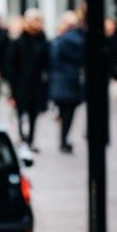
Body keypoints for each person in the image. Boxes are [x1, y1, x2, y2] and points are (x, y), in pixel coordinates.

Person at [8, 8, 50, 149]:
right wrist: (12, 90)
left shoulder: (42, 40)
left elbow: (47, 62)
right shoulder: (19, 41)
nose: (36, 24)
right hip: (22, 84)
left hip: (37, 84)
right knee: (21, 113)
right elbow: (12, 65)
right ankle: (23, 137)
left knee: (34, 113)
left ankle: (31, 139)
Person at [48, 11, 85, 154]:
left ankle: (63, 139)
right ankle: (64, 140)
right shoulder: (74, 39)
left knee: (65, 113)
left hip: (63, 81)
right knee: (68, 113)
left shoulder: (61, 40)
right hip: (70, 81)